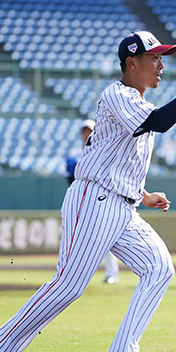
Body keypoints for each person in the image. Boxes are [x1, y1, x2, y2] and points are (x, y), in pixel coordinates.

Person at [0, 30, 176, 352]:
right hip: (94, 201)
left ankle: (124, 350)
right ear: (131, 63)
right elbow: (160, 123)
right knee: (69, 286)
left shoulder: (137, 104)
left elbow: (110, 154)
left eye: (163, 58)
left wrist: (144, 194)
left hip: (122, 205)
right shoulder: (117, 94)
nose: (161, 65)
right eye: (154, 58)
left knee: (159, 267)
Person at [65, 119, 120, 284]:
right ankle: (73, 276)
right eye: (85, 131)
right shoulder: (75, 155)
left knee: (105, 238)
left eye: (90, 130)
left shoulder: (105, 151)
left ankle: (111, 273)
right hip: (80, 200)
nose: (87, 133)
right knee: (76, 239)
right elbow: (70, 179)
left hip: (103, 200)